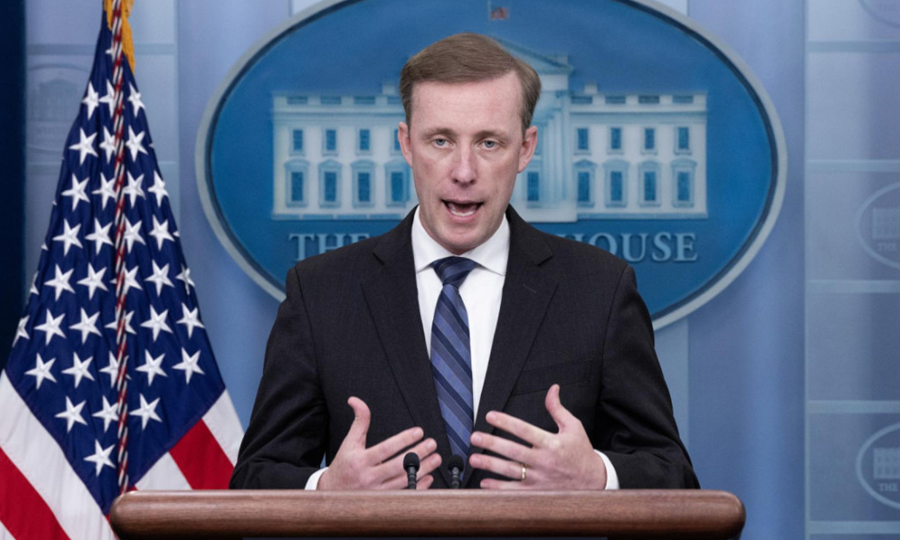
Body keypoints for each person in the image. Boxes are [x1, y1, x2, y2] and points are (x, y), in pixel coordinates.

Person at [230, 33, 698, 491]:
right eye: (440, 141)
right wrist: (326, 490)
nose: (464, 171)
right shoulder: (321, 293)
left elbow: (674, 476)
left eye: (489, 143)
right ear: (406, 144)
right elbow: (254, 478)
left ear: (526, 148)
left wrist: (595, 476)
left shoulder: (600, 290)